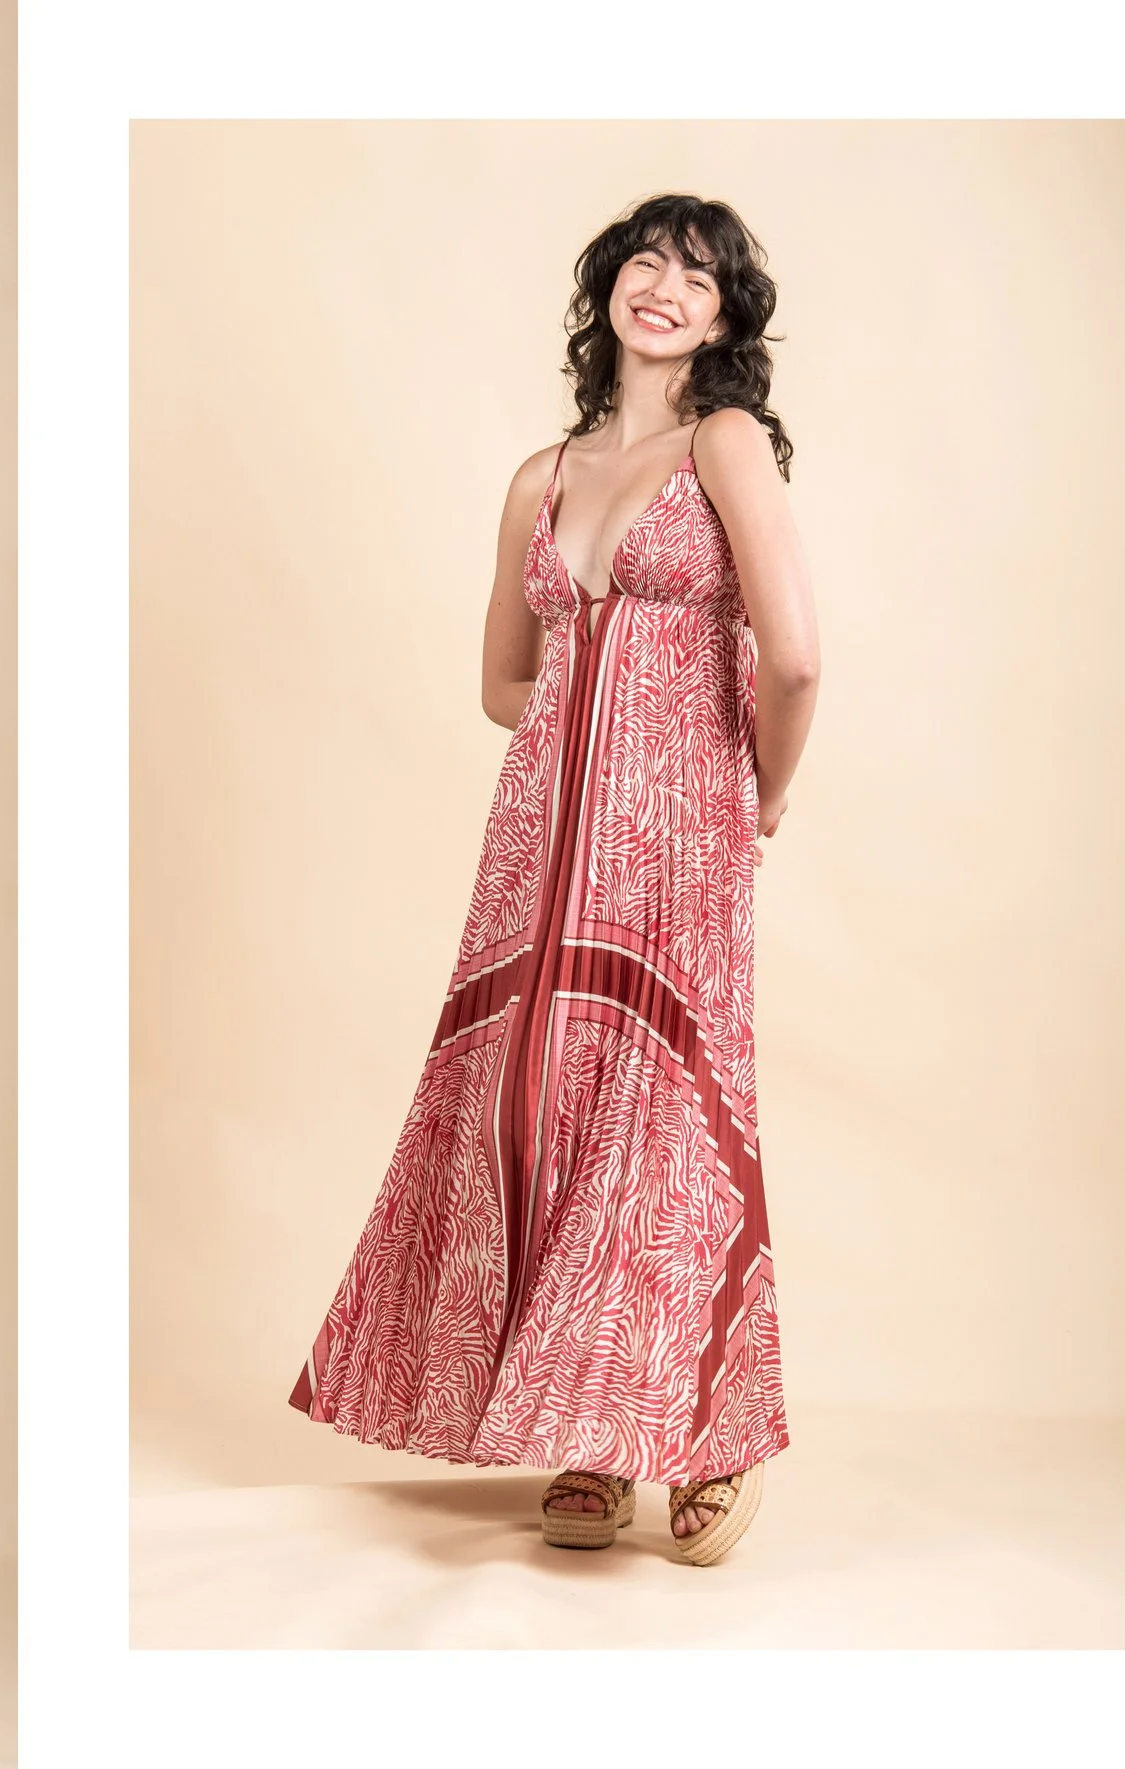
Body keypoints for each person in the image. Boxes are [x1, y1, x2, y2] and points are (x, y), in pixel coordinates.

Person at [286, 194, 818, 1568]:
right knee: (534, 1114)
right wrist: (587, 724)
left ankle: (717, 1437)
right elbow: (501, 680)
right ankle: (593, 1438)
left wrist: (753, 789)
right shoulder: (545, 473)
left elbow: (796, 653)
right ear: (609, 288)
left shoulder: (725, 443)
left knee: (674, 1126)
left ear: (724, 319)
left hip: (676, 835)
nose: (665, 288)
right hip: (536, 848)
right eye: (646, 260)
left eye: (698, 279)